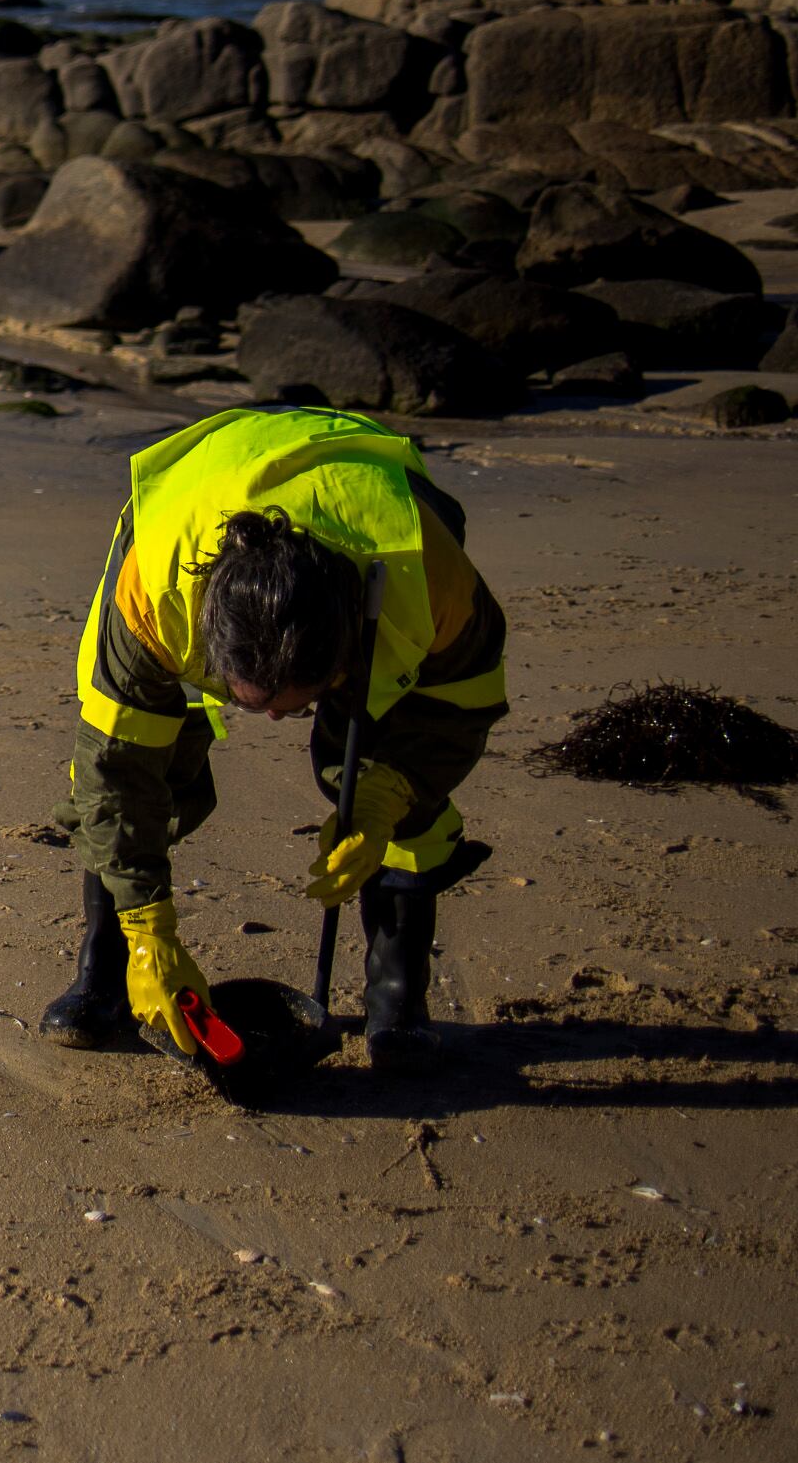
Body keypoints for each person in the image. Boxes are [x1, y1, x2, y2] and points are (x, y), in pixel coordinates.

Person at [42, 406, 505, 1074]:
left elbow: (460, 707)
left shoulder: (431, 578)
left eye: (298, 705)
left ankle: (398, 1004)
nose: (275, 723)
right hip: (194, 503)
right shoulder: (153, 592)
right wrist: (150, 931)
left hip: (373, 513)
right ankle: (106, 970)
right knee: (145, 768)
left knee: (390, 771)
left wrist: (387, 792)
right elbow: (114, 774)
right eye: (254, 703)